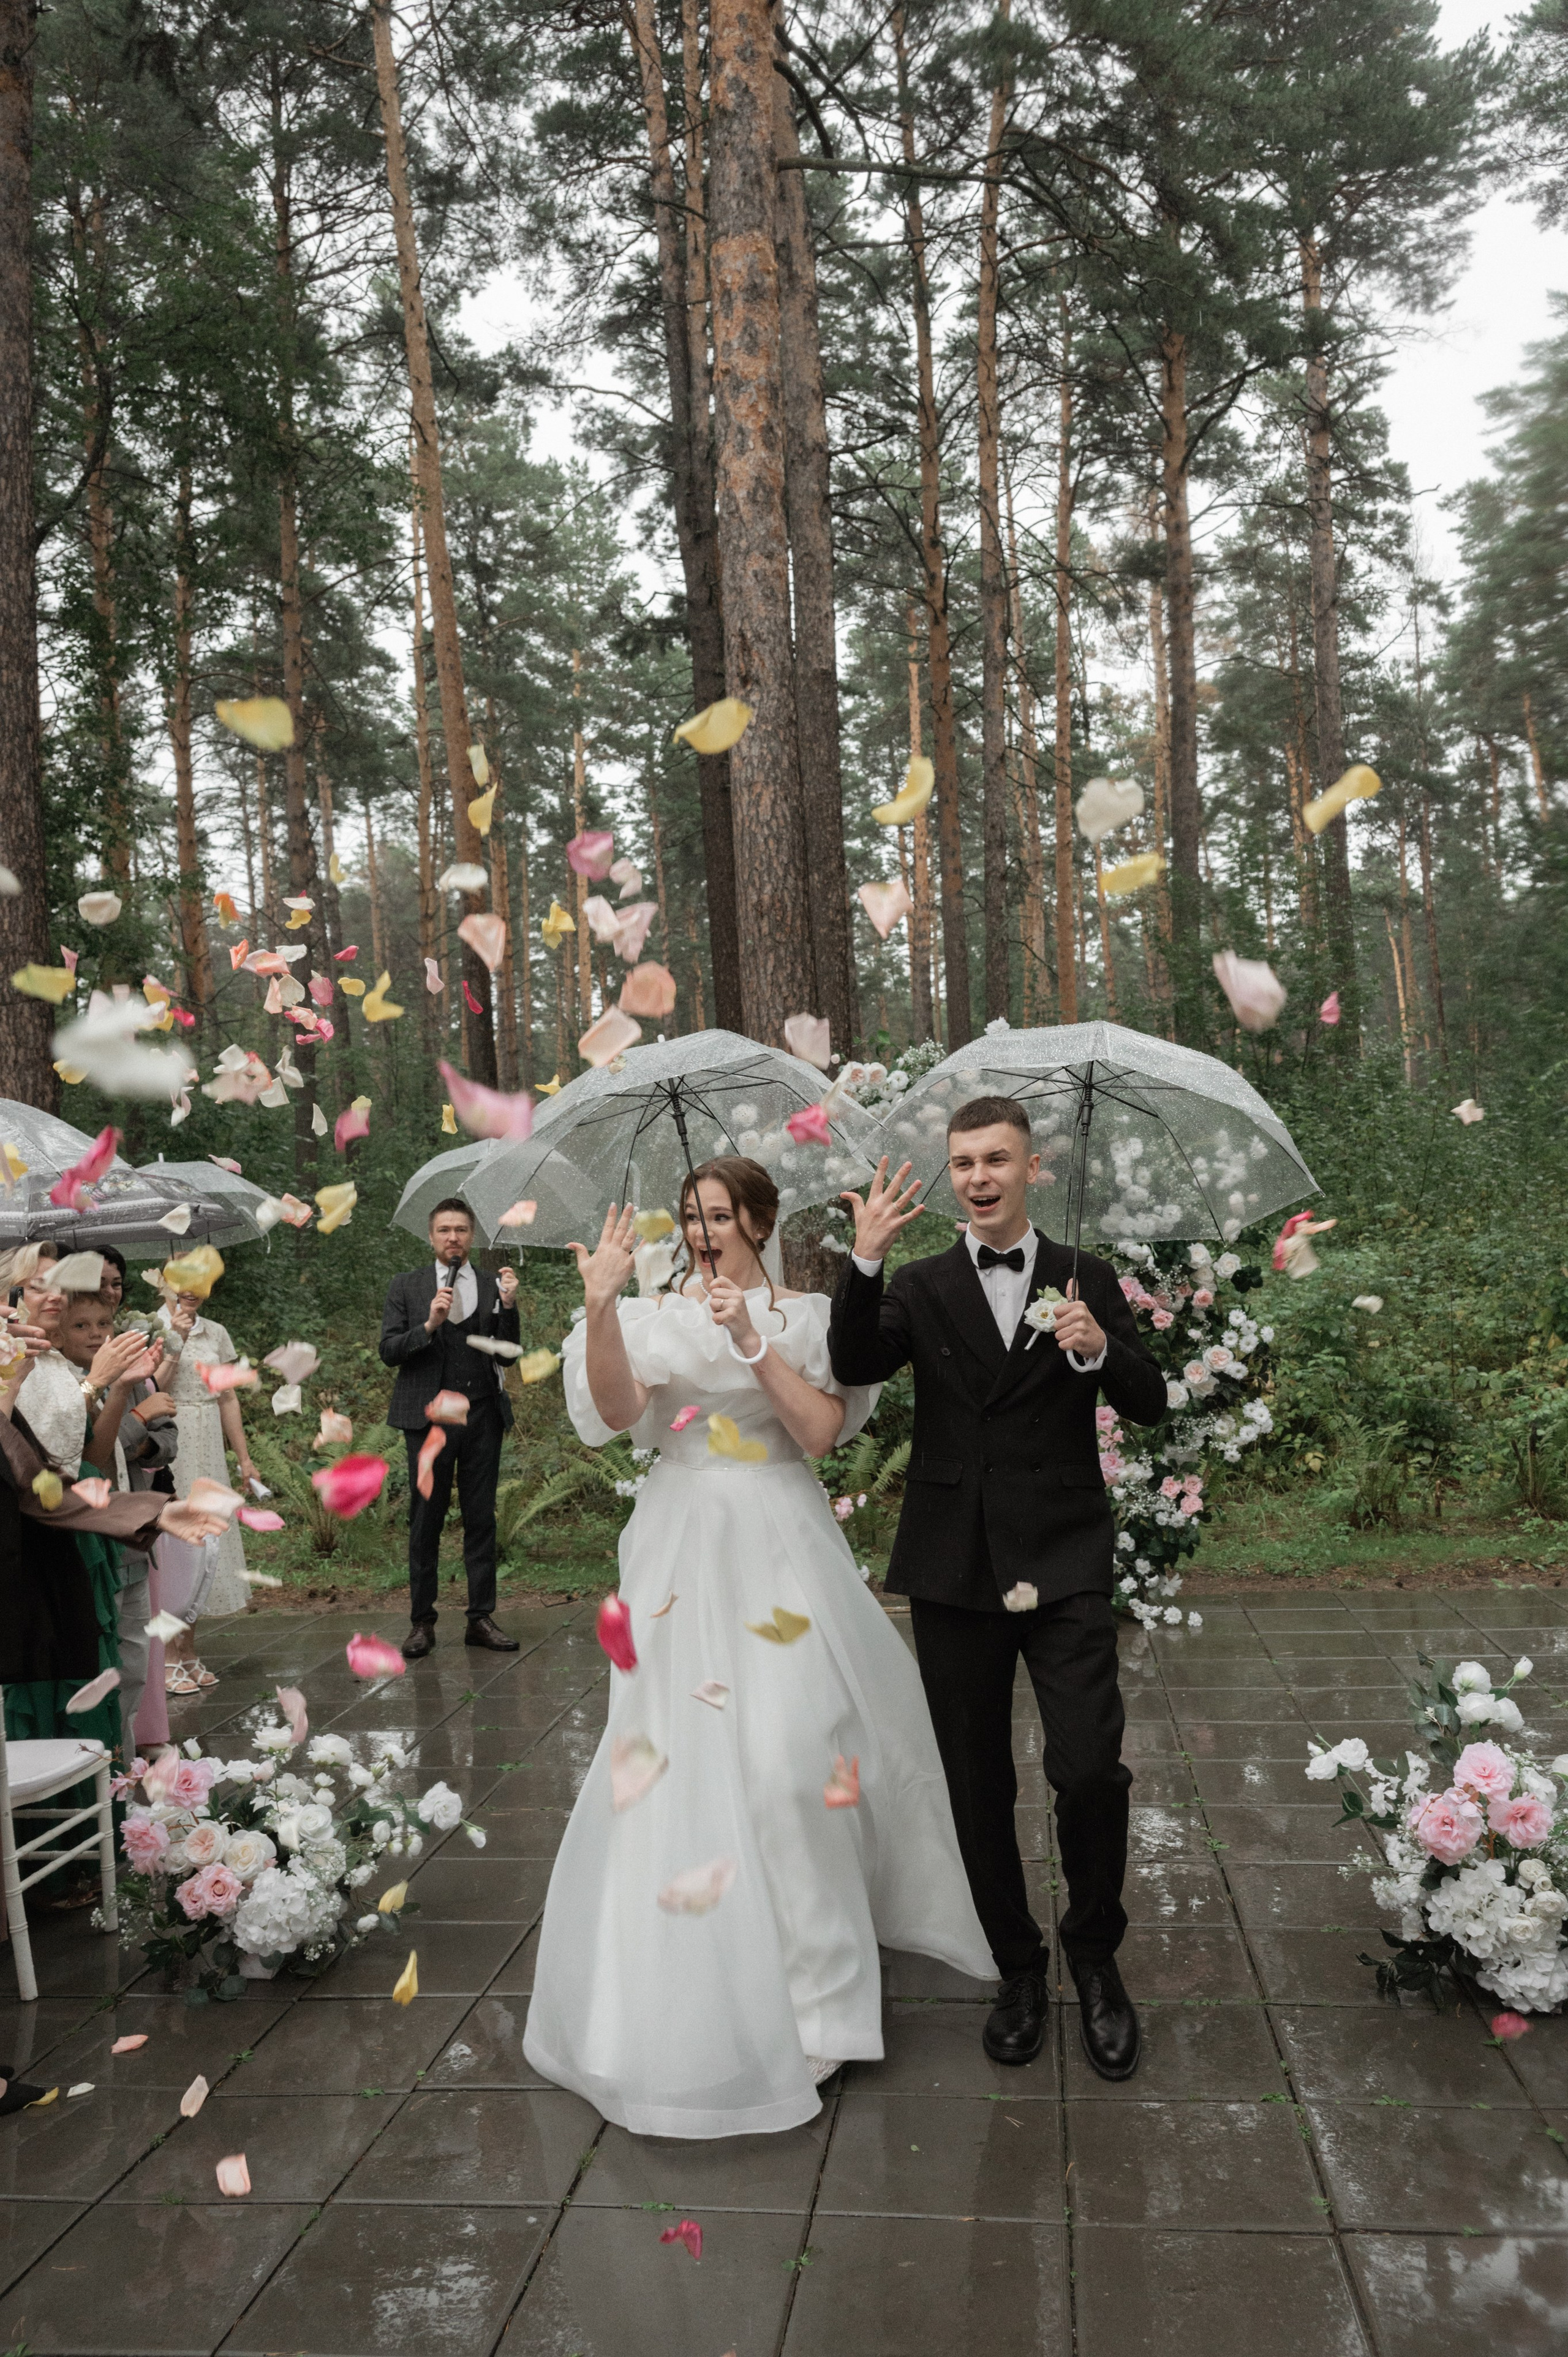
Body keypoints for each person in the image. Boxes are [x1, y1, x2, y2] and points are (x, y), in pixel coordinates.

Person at [522, 1157, 992, 2138]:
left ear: (760, 1223)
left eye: (719, 1216)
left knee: (789, 1761)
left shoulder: (810, 1319)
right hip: (678, 1547)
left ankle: (823, 2001)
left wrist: (749, 1338)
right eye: (689, 1216)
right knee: (676, 1764)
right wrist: (604, 1308)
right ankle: (686, 1985)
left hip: (779, 1542)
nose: (700, 1232)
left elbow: (822, 1433)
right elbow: (616, 1414)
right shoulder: (652, 1312)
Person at [828, 1097, 1167, 2083]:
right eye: (963, 1162)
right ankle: (1018, 1967)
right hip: (954, 1566)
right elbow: (855, 1362)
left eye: (997, 1161)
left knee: (1091, 1769)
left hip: (1063, 1557)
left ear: (1033, 1171)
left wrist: (1097, 1346)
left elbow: (1144, 1401)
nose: (978, 1177)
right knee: (978, 1783)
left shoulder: (1083, 1275)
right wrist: (864, 1263)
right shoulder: (927, 1283)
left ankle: (1095, 1956)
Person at [379, 1198, 522, 1658]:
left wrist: (509, 1306)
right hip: (428, 1420)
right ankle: (422, 1622)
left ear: (472, 1236)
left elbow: (507, 1352)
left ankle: (480, 1618)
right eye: (444, 1230)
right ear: (431, 1236)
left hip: (481, 1414)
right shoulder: (408, 1285)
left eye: (461, 1230)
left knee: (481, 1518)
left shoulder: (490, 1283)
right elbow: (389, 1350)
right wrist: (430, 1324)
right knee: (426, 1520)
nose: (453, 1238)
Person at [83, 1245, 178, 1745]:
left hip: (133, 1537)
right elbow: (82, 1455)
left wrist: (144, 1434)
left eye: (117, 1283)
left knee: (137, 1667)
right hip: (91, 1541)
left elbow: (167, 1438)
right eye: (98, 1281)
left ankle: (122, 1777)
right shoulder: (68, 1370)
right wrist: (136, 1418)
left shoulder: (128, 1350)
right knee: (103, 1673)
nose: (109, 1291)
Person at [154, 1273, 261, 1689]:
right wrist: (174, 1342)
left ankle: (188, 1649)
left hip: (209, 1448)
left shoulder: (216, 1333)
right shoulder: (150, 1327)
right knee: (172, 1548)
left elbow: (228, 1397)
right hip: (168, 1442)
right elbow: (153, 1387)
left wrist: (245, 1458)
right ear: (162, 1284)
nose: (190, 1288)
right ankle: (165, 1657)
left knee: (204, 1548)